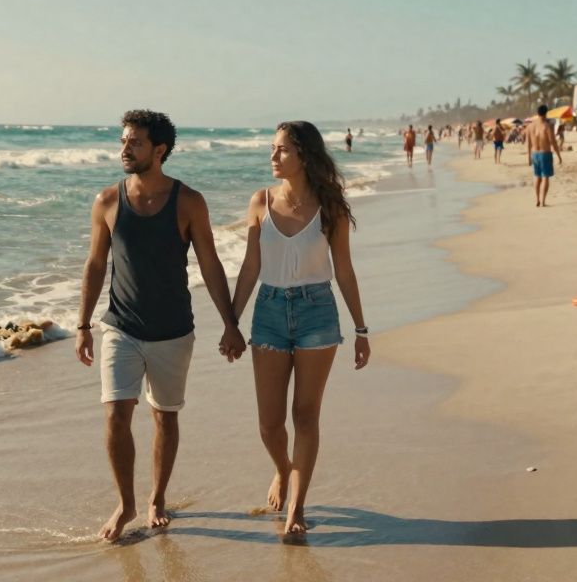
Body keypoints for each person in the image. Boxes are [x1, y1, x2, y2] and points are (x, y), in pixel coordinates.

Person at [74, 109, 247, 542]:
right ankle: (126, 503)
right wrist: (82, 324)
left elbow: (210, 264)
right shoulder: (107, 201)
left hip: (173, 329)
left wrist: (230, 323)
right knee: (116, 412)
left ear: (160, 150)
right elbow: (96, 265)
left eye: (134, 142)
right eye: (123, 141)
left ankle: (157, 498)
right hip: (120, 326)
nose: (124, 149)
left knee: (164, 418)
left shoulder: (188, 202)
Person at [230, 121, 369, 537]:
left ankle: (297, 507)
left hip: (317, 312)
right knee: (270, 423)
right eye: (273, 149)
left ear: (304, 155)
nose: (273, 157)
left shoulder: (331, 206)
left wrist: (360, 330)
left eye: (282, 150)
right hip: (269, 311)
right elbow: (251, 267)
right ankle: (282, 469)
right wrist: (230, 322)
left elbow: (344, 270)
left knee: (305, 415)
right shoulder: (261, 201)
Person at [526, 105, 563, 207]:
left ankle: (537, 199)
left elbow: (528, 143)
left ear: (537, 113)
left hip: (535, 154)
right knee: (545, 177)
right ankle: (543, 201)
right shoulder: (546, 126)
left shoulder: (530, 126)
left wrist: (528, 157)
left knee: (537, 177)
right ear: (546, 113)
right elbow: (553, 142)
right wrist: (559, 156)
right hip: (545, 153)